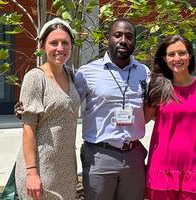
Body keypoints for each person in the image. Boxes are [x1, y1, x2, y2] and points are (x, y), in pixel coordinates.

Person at [74, 19, 150, 200]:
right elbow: (66, 103)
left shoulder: (144, 72)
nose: (123, 40)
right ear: (108, 39)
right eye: (118, 35)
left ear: (134, 42)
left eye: (129, 36)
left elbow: (153, 107)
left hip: (134, 157)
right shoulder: (87, 73)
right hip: (100, 157)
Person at [144, 35, 196, 200]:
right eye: (171, 54)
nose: (177, 58)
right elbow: (142, 120)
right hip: (162, 167)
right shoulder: (157, 88)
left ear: (190, 55)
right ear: (164, 58)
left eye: (182, 53)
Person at [15, 18, 80, 199]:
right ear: (43, 46)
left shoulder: (71, 76)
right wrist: (31, 173)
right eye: (53, 43)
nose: (60, 48)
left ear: (71, 46)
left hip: (66, 168)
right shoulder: (35, 78)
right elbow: (28, 129)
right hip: (41, 168)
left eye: (65, 43)